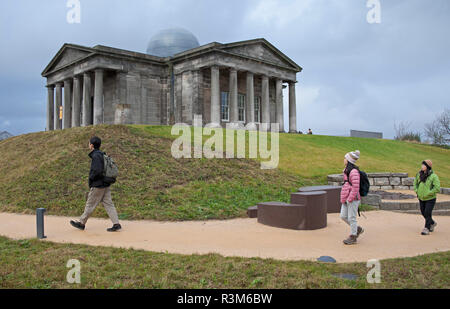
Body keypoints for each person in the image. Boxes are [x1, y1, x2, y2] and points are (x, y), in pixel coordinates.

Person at [70, 136, 122, 232]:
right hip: (105, 183)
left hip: (98, 184)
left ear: (92, 145)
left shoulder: (96, 156)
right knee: (109, 204)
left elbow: (97, 171)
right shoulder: (102, 154)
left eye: (89, 143)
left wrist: (91, 178)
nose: (88, 145)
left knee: (90, 204)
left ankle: (81, 223)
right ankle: (116, 224)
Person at [340, 150, 364, 245]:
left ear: (349, 160)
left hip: (353, 199)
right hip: (346, 197)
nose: (344, 159)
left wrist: (350, 199)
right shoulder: (346, 170)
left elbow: (355, 187)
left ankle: (353, 236)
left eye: (345, 158)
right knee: (343, 216)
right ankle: (357, 229)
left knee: (352, 217)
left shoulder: (353, 172)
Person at [413, 160, 440, 236]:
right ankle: (432, 223)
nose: (422, 166)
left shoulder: (433, 176)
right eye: (422, 165)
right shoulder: (419, 174)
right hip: (421, 198)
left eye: (423, 165)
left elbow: (437, 188)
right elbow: (415, 183)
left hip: (430, 199)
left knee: (428, 213)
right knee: (423, 212)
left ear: (427, 167)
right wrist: (417, 191)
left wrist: (429, 193)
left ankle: (426, 228)